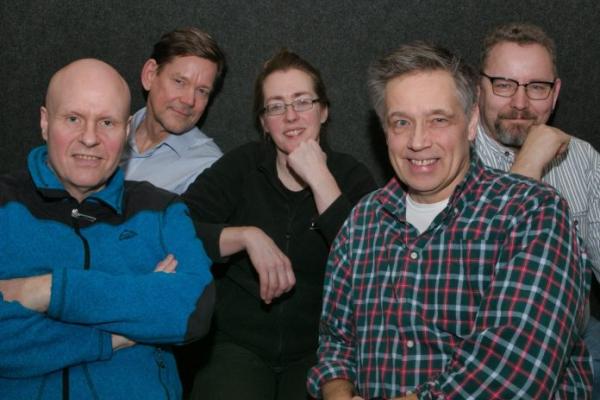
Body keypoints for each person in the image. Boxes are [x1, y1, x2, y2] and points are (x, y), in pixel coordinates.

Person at [307, 42, 593, 399]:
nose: (418, 141)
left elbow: (513, 373)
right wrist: (338, 393)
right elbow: (336, 343)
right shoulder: (362, 222)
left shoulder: (533, 213)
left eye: (438, 120)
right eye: (401, 122)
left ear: (471, 123)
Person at [0, 59, 215, 399]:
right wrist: (115, 335)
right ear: (45, 122)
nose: (90, 138)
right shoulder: (4, 205)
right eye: (73, 119)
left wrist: (47, 290)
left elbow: (193, 312)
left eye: (107, 123)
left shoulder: (162, 209)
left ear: (126, 131)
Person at [183, 49, 377, 400]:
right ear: (263, 122)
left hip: (321, 352)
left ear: (324, 111)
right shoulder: (241, 166)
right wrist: (246, 236)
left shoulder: (352, 176)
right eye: (275, 106)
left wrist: (321, 179)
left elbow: (371, 268)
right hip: (236, 345)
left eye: (302, 101)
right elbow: (174, 229)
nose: (290, 116)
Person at [475, 22, 600, 396]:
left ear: (555, 92)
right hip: (482, 347)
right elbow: (480, 279)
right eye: (504, 84)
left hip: (575, 341)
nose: (520, 102)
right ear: (478, 88)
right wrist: (528, 165)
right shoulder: (447, 158)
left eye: (537, 87)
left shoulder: (582, 157)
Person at [120, 27, 225, 194]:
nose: (189, 100)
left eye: (202, 91)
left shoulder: (209, 170)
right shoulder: (102, 134)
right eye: (179, 82)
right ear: (150, 75)